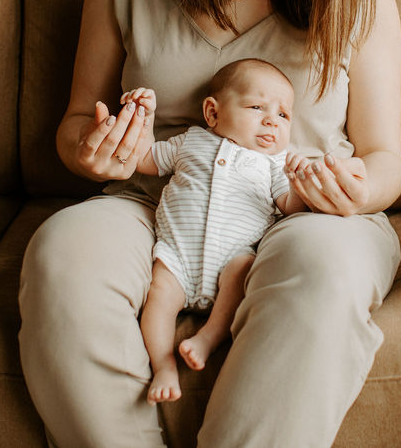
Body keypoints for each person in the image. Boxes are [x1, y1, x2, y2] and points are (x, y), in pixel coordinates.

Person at [18, 0, 401, 447]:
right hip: (153, 200)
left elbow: (385, 157)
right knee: (60, 256)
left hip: (302, 212)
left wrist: (357, 189)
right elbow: (77, 122)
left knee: (326, 273)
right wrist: (90, 147)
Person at [121, 59, 308, 405]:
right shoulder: (191, 142)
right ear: (212, 113)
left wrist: (302, 183)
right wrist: (143, 119)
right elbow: (146, 158)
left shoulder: (274, 164)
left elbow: (289, 204)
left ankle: (208, 337)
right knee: (159, 297)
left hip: (231, 259)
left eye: (284, 115)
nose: (272, 120)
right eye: (257, 107)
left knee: (243, 270)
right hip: (177, 256)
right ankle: (163, 365)